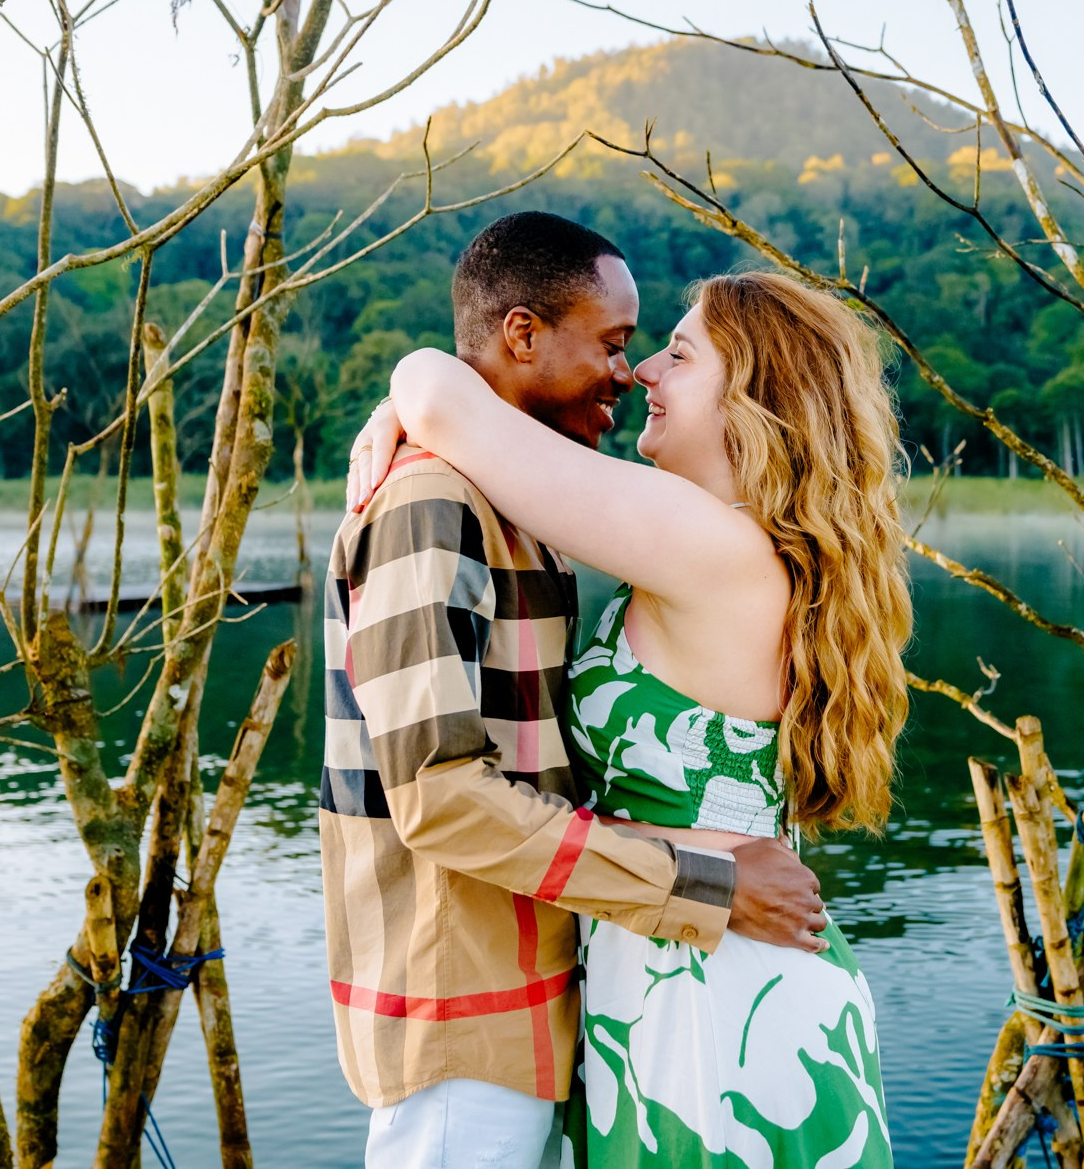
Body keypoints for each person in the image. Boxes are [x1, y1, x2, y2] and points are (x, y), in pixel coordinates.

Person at [348, 266, 911, 1168]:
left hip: (712, 996)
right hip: (680, 961)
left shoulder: (711, 544)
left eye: (678, 355)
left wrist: (407, 391)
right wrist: (412, 412)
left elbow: (442, 394)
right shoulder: (728, 544)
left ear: (751, 396)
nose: (643, 369)